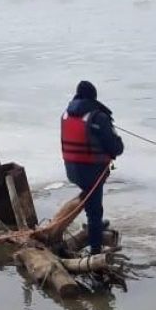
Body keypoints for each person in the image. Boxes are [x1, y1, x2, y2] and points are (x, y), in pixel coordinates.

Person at [61, 81, 124, 254]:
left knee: (91, 201)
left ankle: (94, 225)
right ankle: (96, 251)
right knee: (95, 211)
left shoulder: (66, 114)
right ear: (93, 97)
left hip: (72, 170)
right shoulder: (98, 118)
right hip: (92, 172)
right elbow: (117, 148)